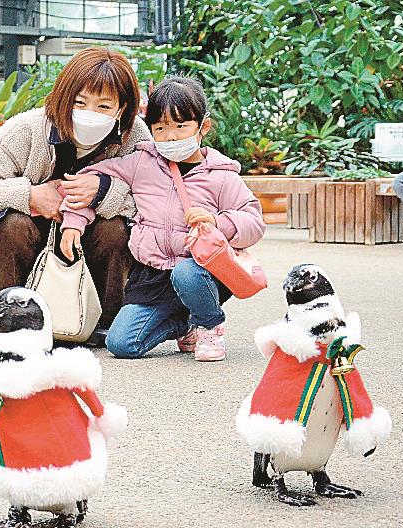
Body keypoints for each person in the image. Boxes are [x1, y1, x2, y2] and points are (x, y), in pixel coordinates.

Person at [0, 47, 153, 347]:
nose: (90, 114)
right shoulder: (28, 128)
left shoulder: (134, 137)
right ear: (64, 97)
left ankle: (106, 323)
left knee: (115, 230)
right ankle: (13, 321)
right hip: (32, 238)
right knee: (12, 226)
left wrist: (104, 193)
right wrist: (29, 194)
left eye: (104, 107)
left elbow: (156, 200)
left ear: (122, 108)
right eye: (80, 102)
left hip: (93, 243)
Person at [72, 76, 266, 361]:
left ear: (203, 126)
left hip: (202, 273)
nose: (171, 136)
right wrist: (74, 220)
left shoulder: (221, 175)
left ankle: (208, 324)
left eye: (180, 126)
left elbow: (255, 222)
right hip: (151, 274)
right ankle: (185, 322)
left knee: (186, 273)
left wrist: (217, 221)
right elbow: (91, 177)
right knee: (121, 344)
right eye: (160, 128)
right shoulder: (142, 163)